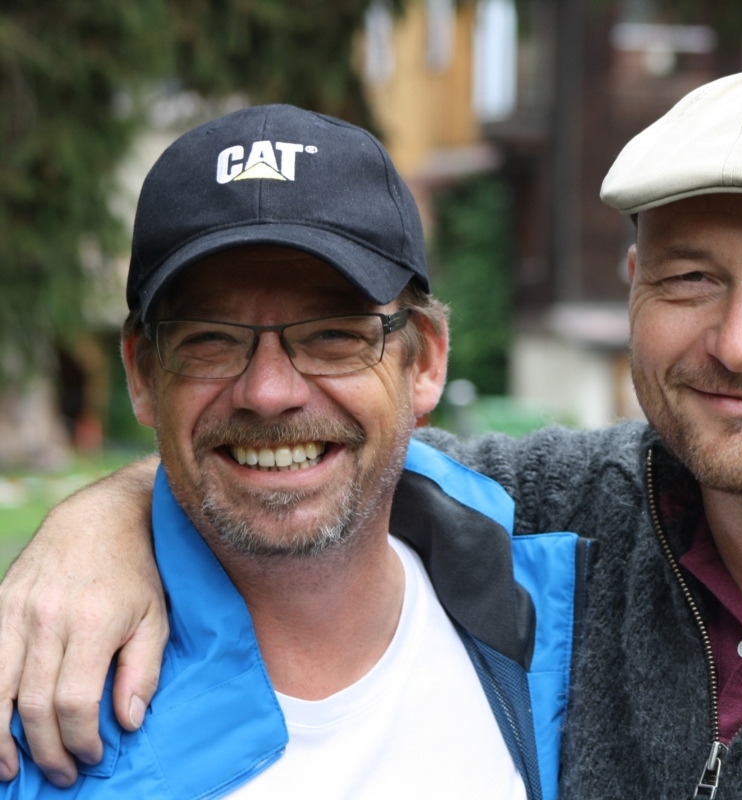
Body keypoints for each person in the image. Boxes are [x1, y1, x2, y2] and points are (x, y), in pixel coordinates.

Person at [5, 66, 742, 798]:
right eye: (689, 277)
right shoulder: (568, 520)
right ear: (632, 287)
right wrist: (101, 516)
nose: (740, 340)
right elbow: (320, 458)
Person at [0, 104, 583, 798]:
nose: (269, 392)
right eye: (210, 339)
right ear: (143, 375)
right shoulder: (32, 721)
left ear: (425, 362)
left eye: (334, 335)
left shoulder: (571, 629)